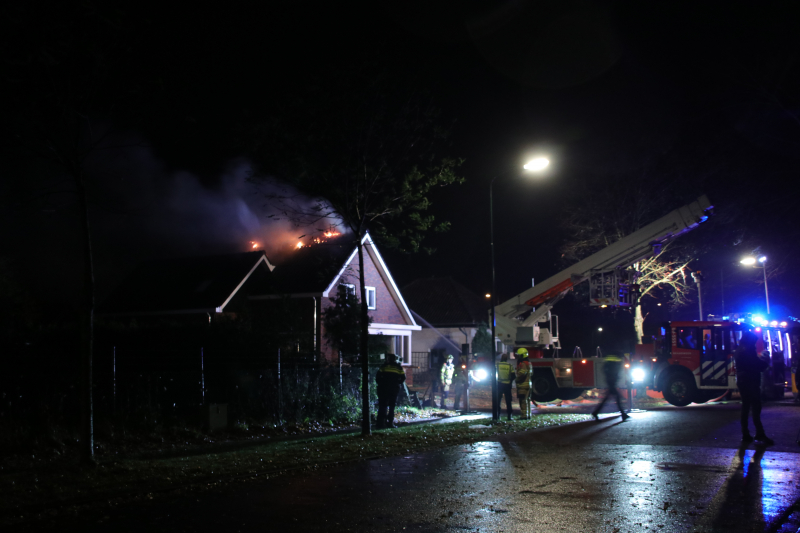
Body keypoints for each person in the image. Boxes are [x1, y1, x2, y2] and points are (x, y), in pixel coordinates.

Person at [734, 331, 773, 445]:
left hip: (742, 380)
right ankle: (759, 434)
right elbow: (757, 365)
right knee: (756, 407)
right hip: (750, 381)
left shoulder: (739, 349)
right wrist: (765, 362)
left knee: (746, 407)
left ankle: (746, 434)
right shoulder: (748, 350)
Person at [591, 355, 629, 421]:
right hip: (611, 382)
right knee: (617, 398)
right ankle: (623, 414)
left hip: (611, 381)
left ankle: (595, 412)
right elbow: (613, 371)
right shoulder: (613, 362)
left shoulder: (610, 362)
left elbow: (607, 370)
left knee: (608, 399)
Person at [375, 353, 406, 429]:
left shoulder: (384, 366)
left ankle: (381, 423)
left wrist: (381, 383)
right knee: (392, 405)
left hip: (383, 388)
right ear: (395, 359)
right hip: (394, 388)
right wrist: (398, 383)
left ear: (388, 359)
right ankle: (390, 423)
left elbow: (378, 376)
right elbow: (403, 377)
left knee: (383, 405)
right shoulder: (398, 367)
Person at [515, 348, 536, 419]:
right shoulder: (528, 363)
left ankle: (524, 415)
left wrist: (517, 379)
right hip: (528, 384)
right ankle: (528, 414)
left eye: (519, 355)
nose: (517, 357)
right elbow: (531, 373)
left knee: (523, 401)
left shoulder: (523, 364)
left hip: (523, 385)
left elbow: (522, 373)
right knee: (527, 400)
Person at [496, 352, 515, 420]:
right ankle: (509, 415)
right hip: (507, 385)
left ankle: (497, 414)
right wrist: (510, 382)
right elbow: (513, 376)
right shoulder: (509, 365)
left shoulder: (497, 365)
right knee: (508, 401)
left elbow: (493, 374)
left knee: (498, 400)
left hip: (499, 384)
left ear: (501, 358)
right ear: (507, 359)